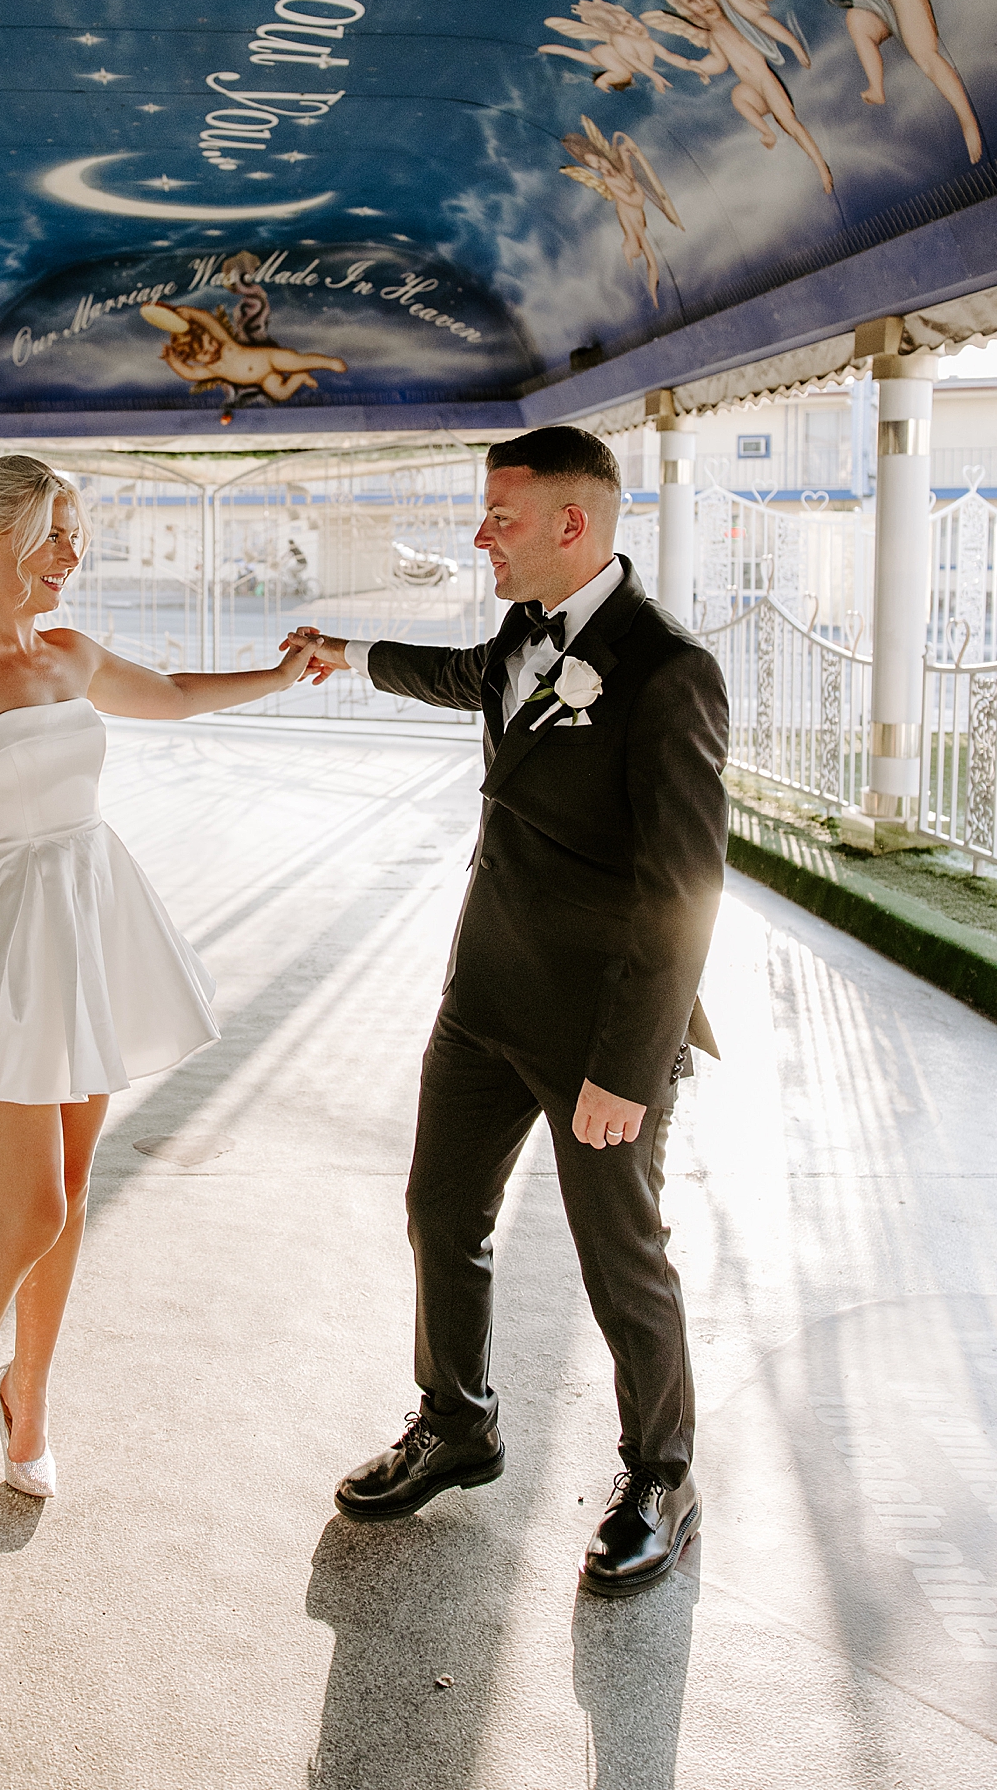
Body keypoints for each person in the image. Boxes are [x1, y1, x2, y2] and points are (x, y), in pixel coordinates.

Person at [0, 453, 314, 1576]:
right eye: (53, 531)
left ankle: (30, 1398)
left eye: (75, 535)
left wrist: (281, 672)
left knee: (72, 1190)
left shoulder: (73, 652)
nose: (71, 553)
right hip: (3, 938)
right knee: (29, 1207)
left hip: (92, 919)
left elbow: (180, 693)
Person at [286, 426, 728, 1595]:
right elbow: (465, 676)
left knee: (620, 1257)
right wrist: (348, 650)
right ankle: (457, 1420)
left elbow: (685, 887)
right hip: (483, 995)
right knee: (440, 1210)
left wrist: (628, 1067)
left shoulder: (667, 668)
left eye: (501, 515)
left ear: (571, 523)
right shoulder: (529, 630)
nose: (480, 534)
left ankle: (662, 1475)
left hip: (598, 1030)